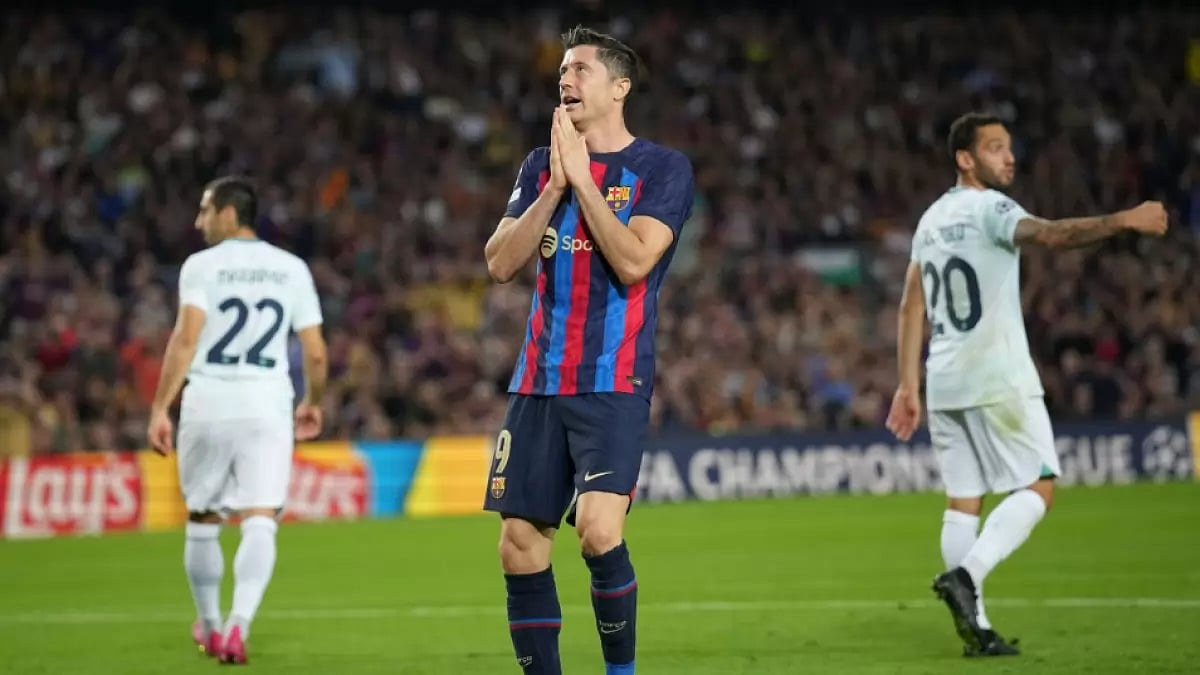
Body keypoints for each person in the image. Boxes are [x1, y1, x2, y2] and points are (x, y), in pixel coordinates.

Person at [886, 112, 1167, 656]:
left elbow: (909, 304)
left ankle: (978, 629)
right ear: (965, 159)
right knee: (1040, 485)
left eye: (1009, 147)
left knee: (963, 501)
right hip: (997, 374)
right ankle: (968, 577)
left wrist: (907, 385)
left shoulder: (929, 220)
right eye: (994, 148)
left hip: (944, 378)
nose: (1008, 157)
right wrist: (1123, 219)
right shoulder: (992, 208)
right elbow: (1054, 235)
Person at [481, 25, 694, 675]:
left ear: (619, 87)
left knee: (600, 530)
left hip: (612, 378)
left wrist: (584, 181)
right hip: (540, 379)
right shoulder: (538, 166)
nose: (565, 80)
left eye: (580, 71)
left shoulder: (662, 168)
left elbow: (634, 262)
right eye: (562, 73)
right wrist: (553, 186)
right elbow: (499, 262)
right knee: (519, 544)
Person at [146, 176, 328, 665]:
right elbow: (314, 352)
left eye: (205, 211)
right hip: (267, 403)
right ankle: (237, 627)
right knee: (261, 517)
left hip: (208, 400)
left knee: (203, 519)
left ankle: (208, 625)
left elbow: (185, 340)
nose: (198, 221)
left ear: (229, 213)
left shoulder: (201, 267)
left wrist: (161, 406)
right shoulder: (290, 268)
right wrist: (312, 401)